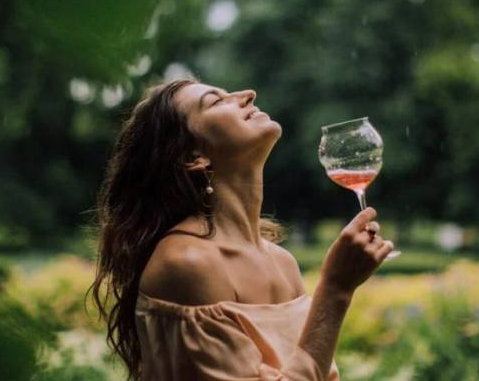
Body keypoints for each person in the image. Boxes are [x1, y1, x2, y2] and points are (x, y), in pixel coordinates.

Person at [89, 78, 395, 381]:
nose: (248, 93)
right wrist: (335, 289)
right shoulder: (187, 264)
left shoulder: (282, 262)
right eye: (216, 101)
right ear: (193, 157)